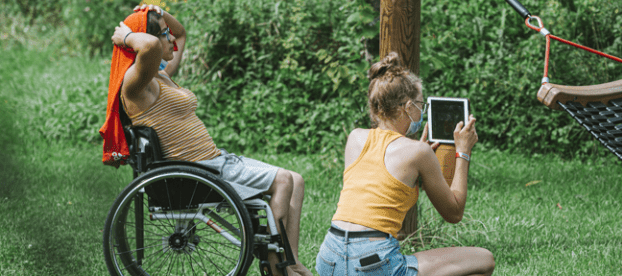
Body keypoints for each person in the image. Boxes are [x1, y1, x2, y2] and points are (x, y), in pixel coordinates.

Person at [101, 5, 312, 276]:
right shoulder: (136, 86)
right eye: (165, 34)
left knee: (297, 180)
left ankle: (291, 262)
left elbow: (182, 33)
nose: (172, 40)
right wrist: (127, 36)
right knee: (284, 180)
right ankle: (275, 264)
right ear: (143, 40)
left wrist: (160, 11)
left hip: (215, 162)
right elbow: (151, 44)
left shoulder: (161, 76)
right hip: (199, 171)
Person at [315, 52, 495, 276]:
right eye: (421, 105)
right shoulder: (417, 152)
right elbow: (454, 213)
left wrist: (419, 162)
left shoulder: (355, 138)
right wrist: (463, 152)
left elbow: (381, 191)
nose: (421, 112)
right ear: (409, 107)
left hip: (328, 258)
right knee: (484, 260)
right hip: (372, 262)